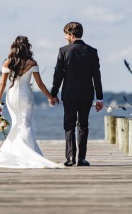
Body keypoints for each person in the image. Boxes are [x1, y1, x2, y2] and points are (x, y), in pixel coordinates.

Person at [0, 36, 64, 169]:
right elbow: (40, 84)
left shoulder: (7, 63)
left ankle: (15, 154)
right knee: (25, 124)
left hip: (12, 96)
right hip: (26, 96)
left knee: (17, 123)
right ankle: (28, 153)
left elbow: (2, 84)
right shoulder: (32, 63)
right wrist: (50, 97)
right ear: (27, 47)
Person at [51, 22, 103, 166]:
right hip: (87, 94)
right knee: (83, 125)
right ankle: (81, 158)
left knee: (69, 125)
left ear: (71, 35)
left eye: (66, 34)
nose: (65, 37)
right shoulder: (92, 51)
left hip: (69, 94)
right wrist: (100, 98)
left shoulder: (63, 51)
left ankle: (70, 158)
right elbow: (97, 77)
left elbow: (58, 76)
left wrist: (53, 94)